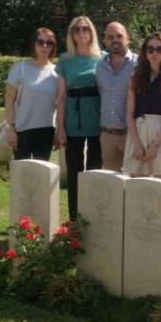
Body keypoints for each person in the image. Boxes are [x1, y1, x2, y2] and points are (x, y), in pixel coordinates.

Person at [55, 15, 103, 220]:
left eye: (85, 29)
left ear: (91, 32)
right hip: (73, 120)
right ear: (71, 34)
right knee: (74, 171)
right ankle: (74, 219)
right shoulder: (65, 60)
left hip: (97, 119)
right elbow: (61, 96)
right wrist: (60, 127)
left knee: (94, 170)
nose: (81, 33)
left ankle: (93, 216)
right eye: (77, 29)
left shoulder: (102, 57)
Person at [123, 32, 161, 178]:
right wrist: (136, 144)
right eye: (150, 49)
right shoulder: (134, 78)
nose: (154, 53)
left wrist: (155, 146)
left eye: (159, 49)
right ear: (145, 51)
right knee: (137, 188)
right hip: (138, 133)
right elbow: (129, 114)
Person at [4, 28, 60, 161]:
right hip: (22, 130)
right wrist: (10, 128)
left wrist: (59, 130)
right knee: (23, 176)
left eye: (49, 43)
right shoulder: (19, 68)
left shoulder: (57, 72)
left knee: (41, 176)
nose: (44, 46)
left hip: (46, 131)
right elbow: (9, 101)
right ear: (33, 44)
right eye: (40, 42)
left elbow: (59, 103)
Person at [97, 21, 137, 171]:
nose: (115, 40)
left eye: (119, 36)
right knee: (112, 189)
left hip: (133, 135)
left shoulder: (140, 64)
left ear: (128, 38)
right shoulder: (100, 66)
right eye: (110, 37)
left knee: (134, 183)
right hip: (107, 136)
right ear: (105, 41)